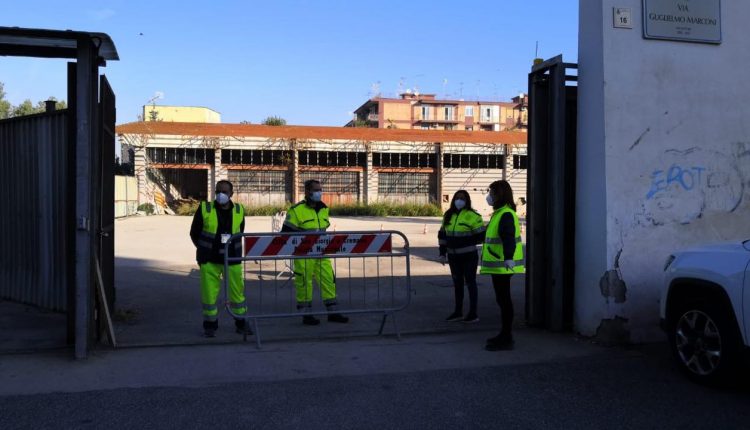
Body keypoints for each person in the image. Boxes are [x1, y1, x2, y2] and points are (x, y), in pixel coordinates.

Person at [281, 179, 349, 325]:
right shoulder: (296, 210)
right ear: (307, 192)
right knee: (304, 282)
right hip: (304, 254)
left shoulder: (324, 208)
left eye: (320, 189)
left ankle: (333, 312)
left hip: (321, 253)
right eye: (316, 190)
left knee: (328, 280)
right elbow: (285, 234)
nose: (319, 193)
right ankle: (307, 315)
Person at [189, 180, 249, 337]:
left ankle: (241, 323)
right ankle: (210, 325)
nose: (220, 195)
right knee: (209, 295)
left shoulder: (239, 210)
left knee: (237, 294)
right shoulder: (205, 208)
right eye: (218, 191)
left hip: (232, 259)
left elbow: (240, 230)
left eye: (224, 192)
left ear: (231, 194)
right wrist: (204, 249)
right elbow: (194, 233)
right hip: (209, 259)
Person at [480, 180, 525, 351]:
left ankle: (507, 337)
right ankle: (504, 334)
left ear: (500, 194)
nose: (489, 196)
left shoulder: (505, 214)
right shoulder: (500, 213)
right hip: (499, 265)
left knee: (504, 300)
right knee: (502, 300)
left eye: (491, 192)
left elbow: (508, 237)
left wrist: (508, 257)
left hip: (502, 266)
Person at [437, 190, 485, 323]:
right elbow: (442, 236)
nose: (459, 200)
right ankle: (458, 312)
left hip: (469, 256)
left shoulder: (473, 216)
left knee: (470, 283)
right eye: (457, 198)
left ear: (467, 200)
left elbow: (481, 237)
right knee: (457, 284)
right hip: (453, 257)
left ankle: (473, 313)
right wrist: (442, 253)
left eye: (462, 198)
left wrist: (465, 241)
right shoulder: (448, 215)